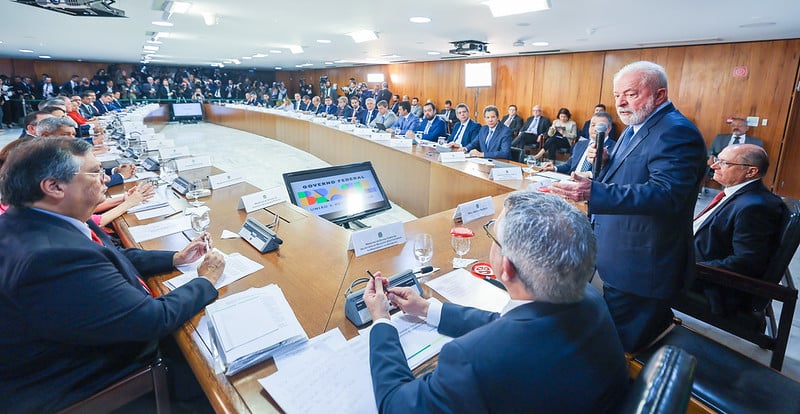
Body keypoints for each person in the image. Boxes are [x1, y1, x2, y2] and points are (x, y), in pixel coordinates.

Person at [0, 138, 226, 413]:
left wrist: (175, 258)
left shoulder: (33, 221)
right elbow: (152, 319)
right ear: (54, 186)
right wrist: (205, 280)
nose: (106, 178)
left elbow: (110, 257)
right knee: (212, 368)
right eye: (95, 172)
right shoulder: (49, 258)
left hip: (79, 343)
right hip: (91, 380)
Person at [363, 191, 629, 413]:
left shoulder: (470, 359)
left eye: (492, 235)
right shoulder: (592, 300)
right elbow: (516, 325)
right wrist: (426, 309)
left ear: (507, 267)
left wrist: (381, 321)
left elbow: (396, 405)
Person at [550, 61, 707, 352]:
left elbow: (667, 194)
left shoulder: (676, 132)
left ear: (659, 95)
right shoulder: (637, 125)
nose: (621, 102)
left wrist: (592, 192)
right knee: (607, 331)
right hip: (616, 252)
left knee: (622, 346)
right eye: (617, 94)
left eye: (631, 94)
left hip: (642, 264)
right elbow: (633, 174)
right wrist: (607, 163)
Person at [694, 144, 784, 315]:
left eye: (724, 163)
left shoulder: (755, 207)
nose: (714, 166)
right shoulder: (738, 195)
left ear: (751, 172)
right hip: (694, 256)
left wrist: (688, 267)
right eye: (716, 160)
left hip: (709, 282)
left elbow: (746, 262)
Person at [541, 111, 615, 177]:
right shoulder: (580, 144)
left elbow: (611, 173)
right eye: (593, 125)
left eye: (600, 126)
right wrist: (555, 168)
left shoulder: (615, 148)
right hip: (570, 181)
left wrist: (589, 174)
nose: (595, 129)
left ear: (608, 129)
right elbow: (569, 165)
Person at [702, 118, 765, 191]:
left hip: (741, 166)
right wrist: (711, 156)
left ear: (747, 128)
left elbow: (757, 158)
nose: (736, 128)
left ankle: (728, 193)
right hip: (721, 164)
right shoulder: (720, 138)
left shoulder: (755, 142)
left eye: (739, 125)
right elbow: (711, 150)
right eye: (733, 125)